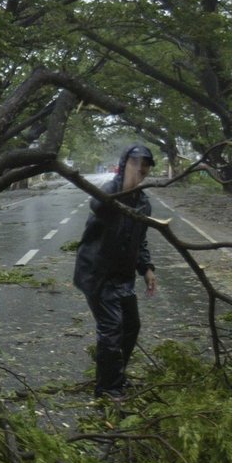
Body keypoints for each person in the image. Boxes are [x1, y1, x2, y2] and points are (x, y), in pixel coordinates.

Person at [73, 143, 158, 400]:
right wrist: (123, 188)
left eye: (145, 165)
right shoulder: (109, 193)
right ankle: (108, 389)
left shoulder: (143, 204)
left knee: (131, 326)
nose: (141, 169)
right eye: (136, 163)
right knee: (112, 329)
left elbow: (139, 239)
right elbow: (98, 205)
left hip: (122, 276)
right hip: (97, 275)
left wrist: (147, 268)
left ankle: (115, 377)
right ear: (124, 164)